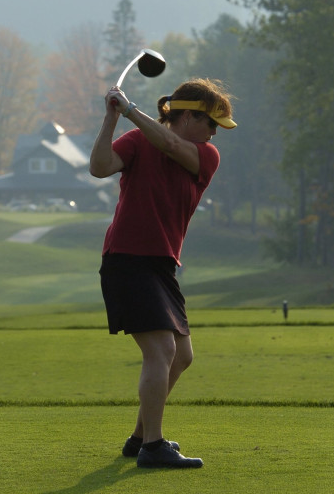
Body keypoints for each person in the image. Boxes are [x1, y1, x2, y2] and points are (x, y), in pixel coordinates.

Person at [90, 78, 236, 469]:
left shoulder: (205, 156)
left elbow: (170, 145)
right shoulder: (137, 142)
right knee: (162, 350)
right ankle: (153, 447)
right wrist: (111, 118)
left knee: (181, 356)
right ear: (187, 115)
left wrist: (129, 109)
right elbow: (100, 167)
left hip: (161, 263)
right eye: (210, 124)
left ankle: (140, 438)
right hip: (126, 257)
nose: (214, 134)